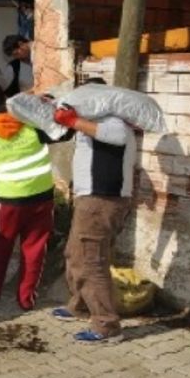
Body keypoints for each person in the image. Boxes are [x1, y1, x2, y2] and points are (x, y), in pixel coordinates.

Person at [50, 77, 137, 343]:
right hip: (91, 200)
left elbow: (117, 136)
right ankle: (81, 305)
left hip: (102, 201)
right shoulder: (94, 122)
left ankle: (107, 325)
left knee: (92, 261)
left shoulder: (113, 120)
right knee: (75, 253)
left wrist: (73, 122)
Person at [0, 82, 55, 311]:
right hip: (42, 196)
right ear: (5, 98)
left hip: (10, 199)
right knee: (35, 248)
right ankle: (27, 298)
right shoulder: (30, 123)